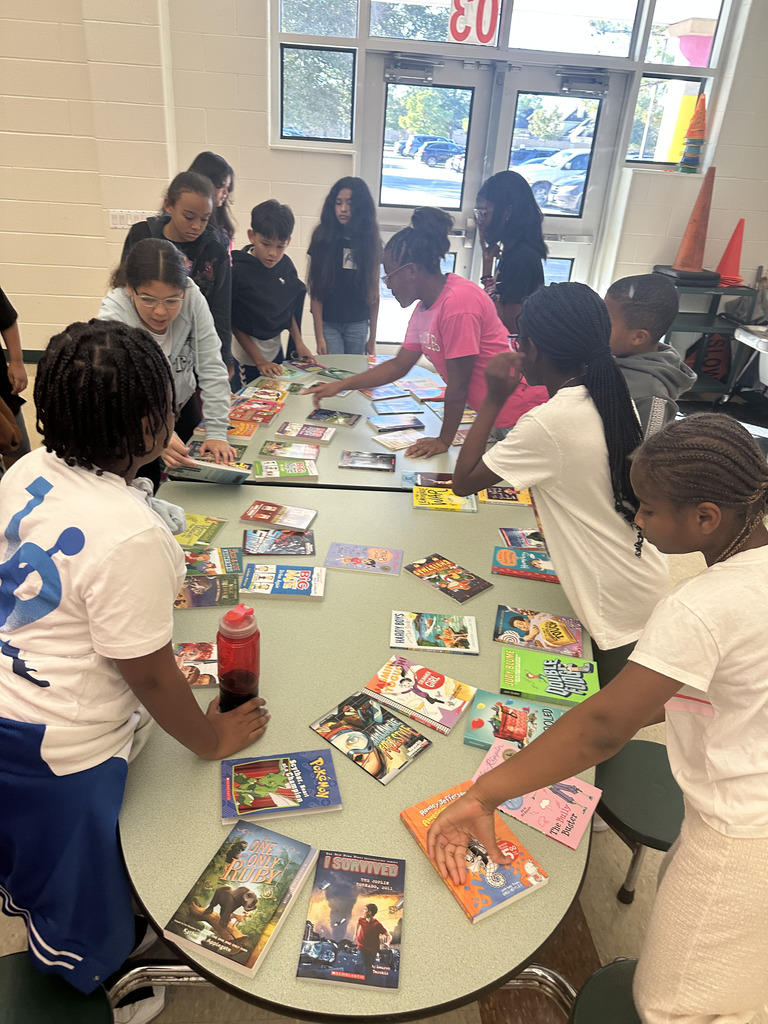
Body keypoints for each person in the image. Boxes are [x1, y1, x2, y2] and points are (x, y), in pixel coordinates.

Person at [428, 411, 768, 1024]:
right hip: (742, 804)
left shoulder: (702, 604)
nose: (637, 520)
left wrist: (485, 795)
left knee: (674, 1004)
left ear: (706, 517)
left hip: (743, 829)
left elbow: (604, 728)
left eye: (648, 509)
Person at [0, 320, 269, 1017]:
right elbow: (146, 675)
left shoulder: (27, 468)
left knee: (34, 848)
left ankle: (40, 893)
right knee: (82, 890)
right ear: (153, 423)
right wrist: (211, 739)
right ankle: (101, 978)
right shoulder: (133, 536)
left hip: (11, 708)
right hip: (63, 750)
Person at [451, 282, 669, 685]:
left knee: (595, 723)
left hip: (612, 602)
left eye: (519, 338)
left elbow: (463, 482)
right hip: (639, 578)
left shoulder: (550, 422)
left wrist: (493, 397)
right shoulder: (609, 394)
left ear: (532, 349)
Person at [309, 207, 548, 458]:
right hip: (494, 411)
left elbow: (459, 384)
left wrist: (443, 441)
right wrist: (342, 385)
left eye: (388, 276)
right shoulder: (424, 309)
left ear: (411, 271)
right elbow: (398, 365)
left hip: (520, 413)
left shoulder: (458, 303)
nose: (387, 284)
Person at [99, 237, 236, 490]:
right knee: (144, 486)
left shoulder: (193, 296)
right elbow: (116, 388)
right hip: (135, 416)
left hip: (180, 405)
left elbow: (211, 365)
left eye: (172, 300)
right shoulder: (114, 313)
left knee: (192, 479)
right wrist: (155, 431)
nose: (160, 312)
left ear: (184, 291)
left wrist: (217, 432)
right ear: (131, 289)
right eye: (148, 299)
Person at [120, 171, 233, 367]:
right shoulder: (141, 235)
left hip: (193, 350)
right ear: (168, 206)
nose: (197, 226)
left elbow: (221, 310)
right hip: (144, 344)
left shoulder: (215, 251)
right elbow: (123, 290)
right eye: (189, 217)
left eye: (204, 219)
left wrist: (224, 357)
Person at [231, 199, 313, 383]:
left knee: (278, 399)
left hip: (275, 352)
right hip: (248, 359)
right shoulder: (238, 270)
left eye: (280, 246)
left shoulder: (285, 266)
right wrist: (259, 361)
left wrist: (299, 342)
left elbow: (288, 307)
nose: (273, 253)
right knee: (250, 406)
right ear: (252, 236)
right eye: (266, 244)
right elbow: (234, 322)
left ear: (288, 241)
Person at [604, 273, 695, 435]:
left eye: (606, 323)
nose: (599, 326)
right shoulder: (615, 352)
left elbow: (645, 455)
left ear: (639, 337)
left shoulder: (652, 396)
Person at [307, 177, 382, 356]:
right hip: (329, 324)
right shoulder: (321, 238)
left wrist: (372, 338)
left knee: (355, 376)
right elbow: (315, 292)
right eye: (338, 203)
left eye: (350, 203)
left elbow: (374, 293)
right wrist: (319, 337)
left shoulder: (370, 241)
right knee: (334, 375)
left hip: (358, 323)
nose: (343, 209)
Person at [474, 170, 548, 334]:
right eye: (477, 213)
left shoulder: (522, 258)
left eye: (483, 213)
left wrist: (487, 277)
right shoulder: (510, 249)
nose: (479, 221)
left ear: (507, 212)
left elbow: (508, 327)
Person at [0, 284, 32, 466]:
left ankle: (20, 486)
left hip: (1, 388)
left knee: (16, 444)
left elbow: (6, 318)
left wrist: (17, 361)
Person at [188, 151, 236, 250]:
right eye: (220, 186)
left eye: (228, 187)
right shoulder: (190, 229)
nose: (225, 193)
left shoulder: (221, 220)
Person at [354, 903, 390, 983]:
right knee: (359, 963)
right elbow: (358, 923)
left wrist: (387, 943)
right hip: (361, 946)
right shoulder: (361, 920)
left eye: (364, 910)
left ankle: (367, 983)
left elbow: (389, 936)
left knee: (369, 968)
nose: (362, 911)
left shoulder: (377, 924)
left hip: (372, 950)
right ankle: (355, 979)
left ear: (369, 912)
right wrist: (355, 934)